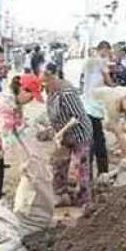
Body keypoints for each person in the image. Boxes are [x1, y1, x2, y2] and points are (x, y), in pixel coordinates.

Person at [42, 62, 93, 207]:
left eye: (47, 80)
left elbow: (77, 117)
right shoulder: (50, 92)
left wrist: (61, 132)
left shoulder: (67, 92)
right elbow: (53, 115)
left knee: (80, 167)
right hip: (63, 135)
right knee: (59, 164)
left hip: (79, 133)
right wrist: (53, 131)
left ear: (54, 77)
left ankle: (85, 200)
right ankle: (61, 195)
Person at [82, 40, 116, 178]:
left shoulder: (88, 61)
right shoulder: (101, 61)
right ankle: (103, 172)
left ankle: (88, 173)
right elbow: (108, 80)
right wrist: (116, 89)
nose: (108, 54)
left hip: (86, 104)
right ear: (104, 49)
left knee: (89, 139)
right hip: (94, 106)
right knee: (99, 140)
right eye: (107, 51)